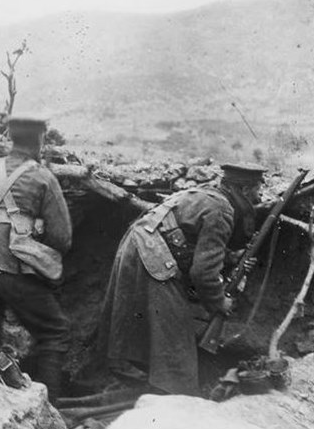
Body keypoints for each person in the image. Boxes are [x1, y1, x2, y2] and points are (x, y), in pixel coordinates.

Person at [96, 163, 266, 396]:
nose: (259, 197)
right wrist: (219, 302)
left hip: (138, 245)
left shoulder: (209, 196)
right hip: (154, 255)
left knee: (148, 332)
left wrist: (231, 257)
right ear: (245, 190)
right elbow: (203, 274)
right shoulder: (222, 210)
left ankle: (143, 387)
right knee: (176, 348)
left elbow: (191, 242)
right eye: (257, 191)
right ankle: (172, 398)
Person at [0, 114, 73, 399]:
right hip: (11, 265)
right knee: (55, 331)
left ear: (11, 137)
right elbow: (62, 238)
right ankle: (51, 410)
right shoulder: (42, 176)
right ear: (40, 139)